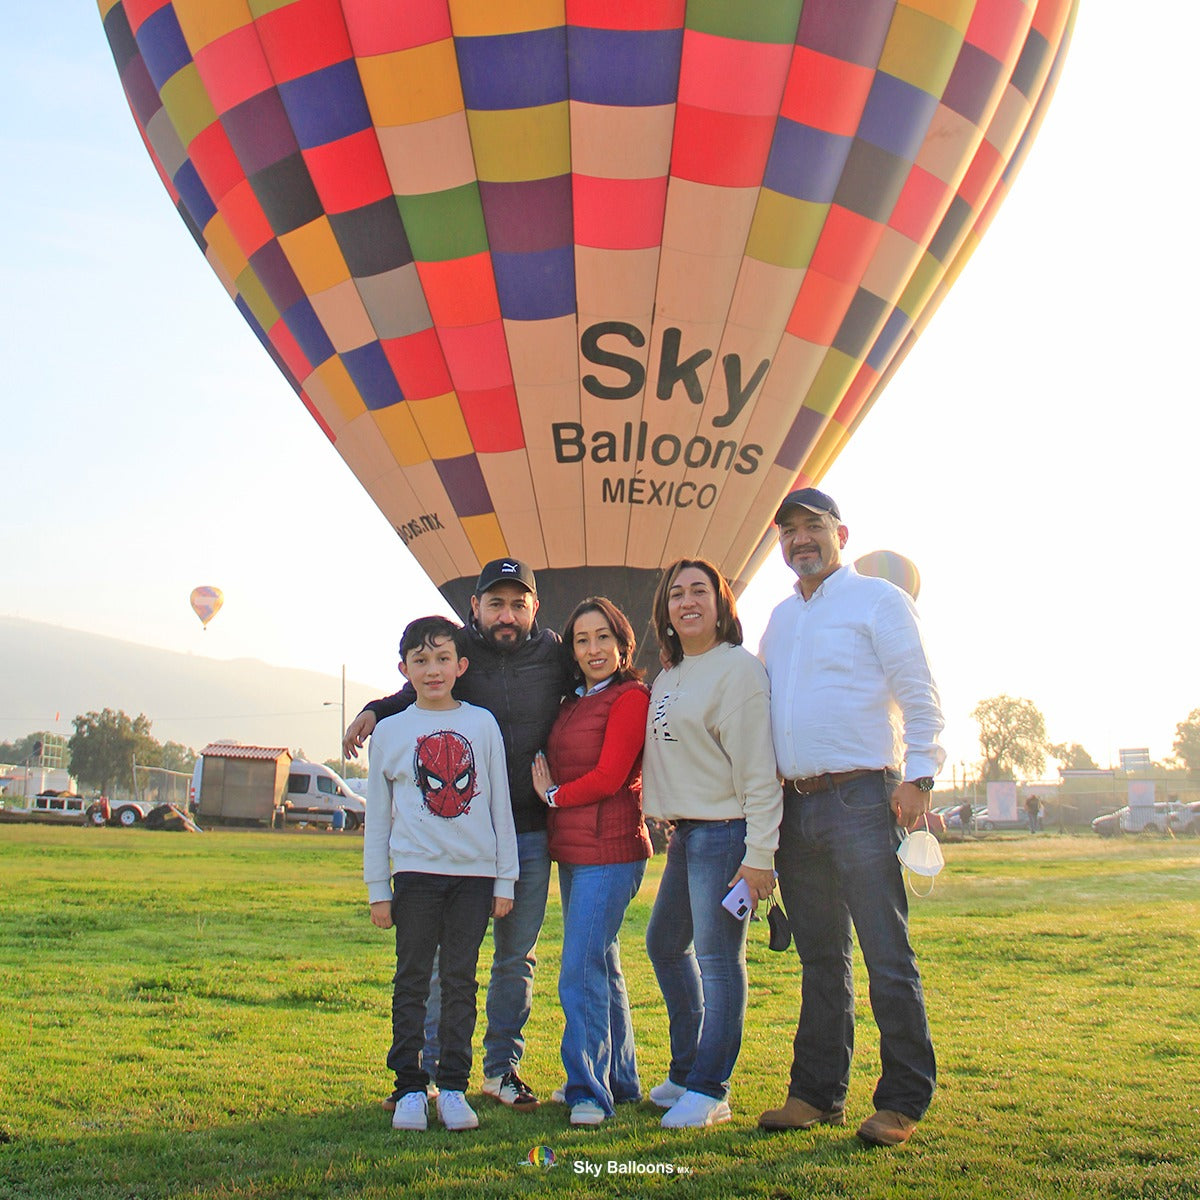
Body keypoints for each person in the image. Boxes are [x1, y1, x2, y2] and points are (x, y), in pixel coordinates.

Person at [344, 559, 574, 1110]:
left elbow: (598, 681)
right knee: (448, 962)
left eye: (518, 603)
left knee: (515, 956)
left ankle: (501, 1069)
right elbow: (423, 689)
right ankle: (425, 1073)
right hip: (459, 838)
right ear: (475, 608)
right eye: (495, 603)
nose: (507, 614)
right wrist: (376, 711)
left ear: (534, 608)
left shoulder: (556, 654)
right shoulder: (458, 655)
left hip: (529, 829)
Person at [757, 488, 945, 1148]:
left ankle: (901, 1100)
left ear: (841, 532)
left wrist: (920, 776)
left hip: (863, 797)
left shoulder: (879, 601)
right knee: (819, 958)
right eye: (789, 533)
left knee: (885, 952)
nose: (800, 541)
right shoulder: (779, 619)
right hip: (794, 805)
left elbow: (920, 693)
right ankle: (816, 1093)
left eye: (812, 528)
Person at [641, 559, 783, 1129]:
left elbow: (758, 773)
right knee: (665, 944)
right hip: (686, 834)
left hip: (727, 835)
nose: (687, 601)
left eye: (700, 590)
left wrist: (760, 857)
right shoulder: (668, 676)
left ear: (723, 604)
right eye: (676, 593)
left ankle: (710, 1088)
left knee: (720, 962)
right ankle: (686, 1070)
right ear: (666, 611)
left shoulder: (738, 672)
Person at [363, 616, 519, 1132]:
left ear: (461, 665)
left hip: (473, 880)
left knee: (459, 982)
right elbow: (377, 820)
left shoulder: (482, 724)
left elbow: (499, 803)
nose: (433, 670)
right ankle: (409, 1085)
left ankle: (453, 1086)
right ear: (403, 669)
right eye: (421, 661)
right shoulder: (390, 731)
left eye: (443, 659)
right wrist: (377, 890)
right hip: (414, 877)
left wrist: (504, 879)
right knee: (411, 980)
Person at [530, 597, 653, 1127]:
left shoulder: (630, 698)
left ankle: (587, 1091)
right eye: (582, 640)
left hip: (612, 848)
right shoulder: (573, 701)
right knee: (603, 965)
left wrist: (553, 796)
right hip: (575, 850)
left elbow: (611, 776)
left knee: (578, 968)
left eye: (603, 637)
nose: (593, 648)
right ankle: (620, 1080)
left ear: (623, 643)